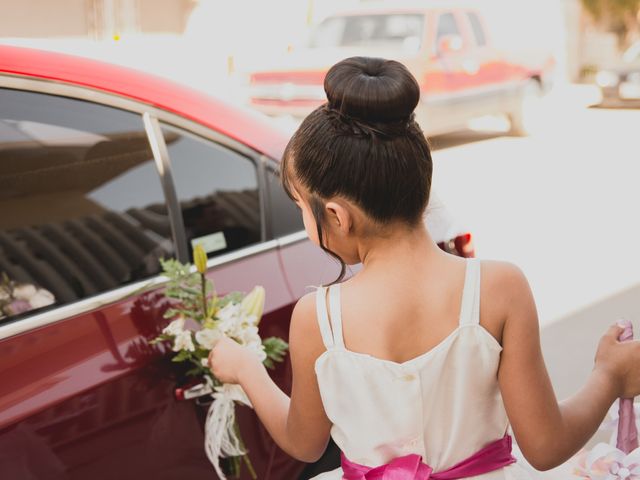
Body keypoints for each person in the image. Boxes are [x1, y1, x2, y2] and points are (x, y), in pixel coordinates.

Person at [208, 56, 640, 479]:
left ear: (337, 217)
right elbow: (546, 448)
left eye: (302, 207)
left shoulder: (317, 318)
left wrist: (247, 367)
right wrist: (609, 374)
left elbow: (304, 442)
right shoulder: (500, 288)